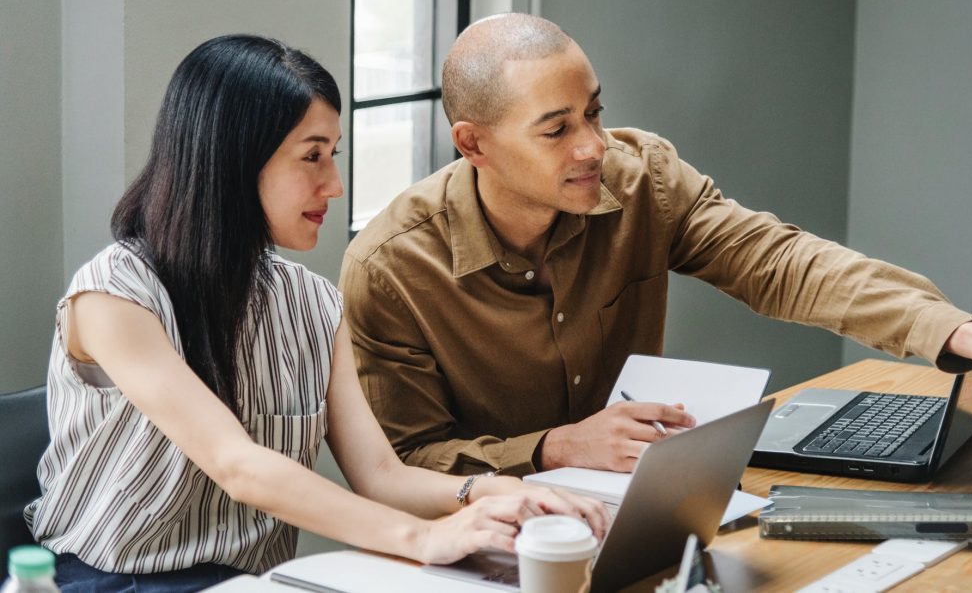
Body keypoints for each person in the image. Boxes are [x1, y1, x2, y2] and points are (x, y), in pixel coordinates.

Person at [25, 34, 607, 592]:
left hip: (253, 583)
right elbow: (238, 465)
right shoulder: (113, 294)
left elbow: (382, 476)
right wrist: (424, 538)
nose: (334, 185)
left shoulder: (312, 301)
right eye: (312, 158)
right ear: (231, 161)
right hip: (108, 582)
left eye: (334, 155)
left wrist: (491, 494)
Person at [339, 13, 972, 477]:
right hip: (486, 545)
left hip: (645, 506)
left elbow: (779, 261)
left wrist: (961, 333)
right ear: (473, 143)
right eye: (557, 130)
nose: (593, 146)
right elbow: (402, 461)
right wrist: (552, 448)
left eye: (595, 112)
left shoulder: (643, 179)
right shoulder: (391, 267)